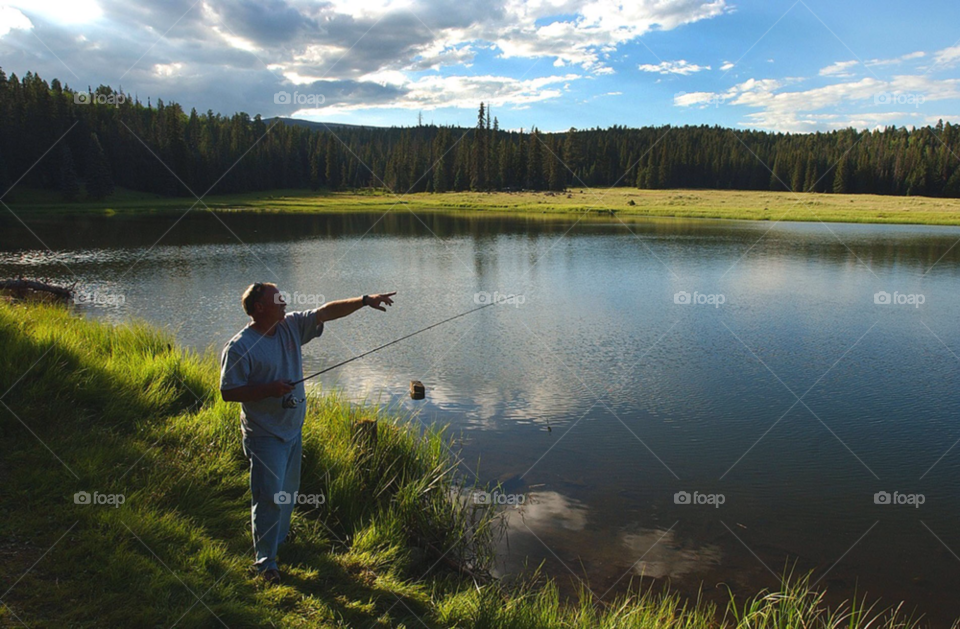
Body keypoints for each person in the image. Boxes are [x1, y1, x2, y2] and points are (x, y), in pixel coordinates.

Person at [219, 282, 395, 584]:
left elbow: (326, 312)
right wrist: (268, 390)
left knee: (286, 495)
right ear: (259, 308)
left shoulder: (290, 327)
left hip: (292, 431)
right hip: (263, 435)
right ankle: (265, 563)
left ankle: (278, 543)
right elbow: (228, 392)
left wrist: (365, 300)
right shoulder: (239, 347)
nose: (285, 302)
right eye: (278, 299)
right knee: (269, 496)